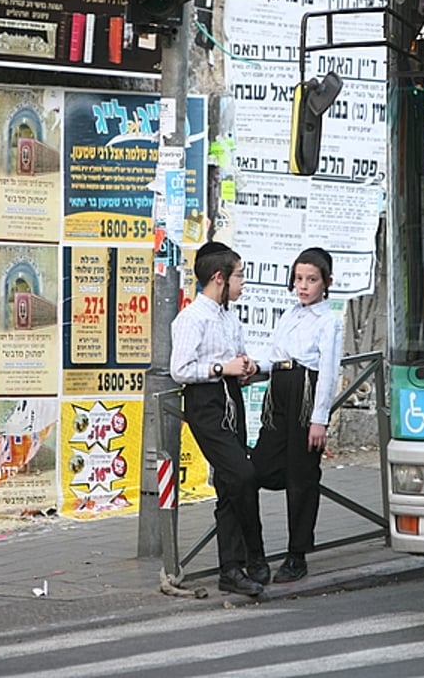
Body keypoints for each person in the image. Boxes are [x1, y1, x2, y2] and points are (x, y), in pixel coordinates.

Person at [169, 242, 269, 595]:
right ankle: (254, 554)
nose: (243, 283)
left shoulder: (228, 316)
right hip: (206, 403)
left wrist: (246, 366)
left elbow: (237, 354)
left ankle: (232, 568)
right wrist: (219, 368)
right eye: (239, 275)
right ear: (219, 278)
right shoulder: (191, 318)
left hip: (232, 397)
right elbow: (180, 369)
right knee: (243, 474)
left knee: (231, 484)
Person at [252, 247, 344, 583]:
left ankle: (296, 554)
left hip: (306, 392)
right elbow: (275, 355)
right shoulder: (289, 314)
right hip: (279, 390)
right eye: (299, 279)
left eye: (311, 280)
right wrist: (253, 367)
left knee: (302, 477)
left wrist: (319, 419)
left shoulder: (328, 321)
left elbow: (329, 372)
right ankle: (252, 551)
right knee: (260, 466)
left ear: (326, 283)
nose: (303, 286)